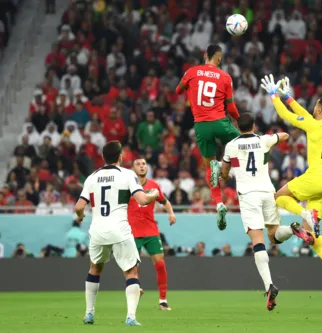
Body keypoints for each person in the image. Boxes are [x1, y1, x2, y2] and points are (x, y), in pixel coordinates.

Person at [220, 112, 313, 311]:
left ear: (237, 126)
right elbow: (285, 136)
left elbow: (225, 173)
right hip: (268, 192)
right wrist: (270, 140)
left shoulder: (231, 145)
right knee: (274, 235)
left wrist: (226, 173)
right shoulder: (264, 140)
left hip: (248, 195)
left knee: (258, 241)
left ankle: (269, 286)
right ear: (253, 125)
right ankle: (293, 229)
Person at [260, 75, 322, 291]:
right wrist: (288, 96)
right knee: (310, 234)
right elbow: (304, 114)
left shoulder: (314, 127)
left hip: (314, 177)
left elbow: (286, 115)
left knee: (279, 197)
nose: (313, 108)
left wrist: (274, 96)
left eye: (315, 106)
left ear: (321, 111)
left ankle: (305, 213)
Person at [74, 141, 160, 326]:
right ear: (120, 156)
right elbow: (142, 200)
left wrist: (80, 217)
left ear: (103, 158)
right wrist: (154, 194)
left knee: (95, 269)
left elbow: (79, 206)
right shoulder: (127, 175)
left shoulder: (92, 177)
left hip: (97, 231)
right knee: (131, 272)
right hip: (119, 230)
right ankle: (131, 317)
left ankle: (89, 313)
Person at [176, 44, 241, 230]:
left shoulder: (191, 72)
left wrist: (190, 89)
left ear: (205, 55)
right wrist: (240, 122)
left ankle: (219, 203)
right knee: (246, 144)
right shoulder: (226, 77)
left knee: (208, 165)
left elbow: (177, 91)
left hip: (201, 125)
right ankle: (224, 167)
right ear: (219, 59)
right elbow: (231, 108)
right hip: (220, 122)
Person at [128, 158, 177, 311]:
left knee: (160, 264)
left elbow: (165, 201)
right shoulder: (127, 185)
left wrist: (171, 213)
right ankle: (136, 290)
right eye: (138, 164)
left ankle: (163, 300)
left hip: (150, 230)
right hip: (132, 231)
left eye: (144, 164)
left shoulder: (154, 186)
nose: (142, 166)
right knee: (132, 266)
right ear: (132, 168)